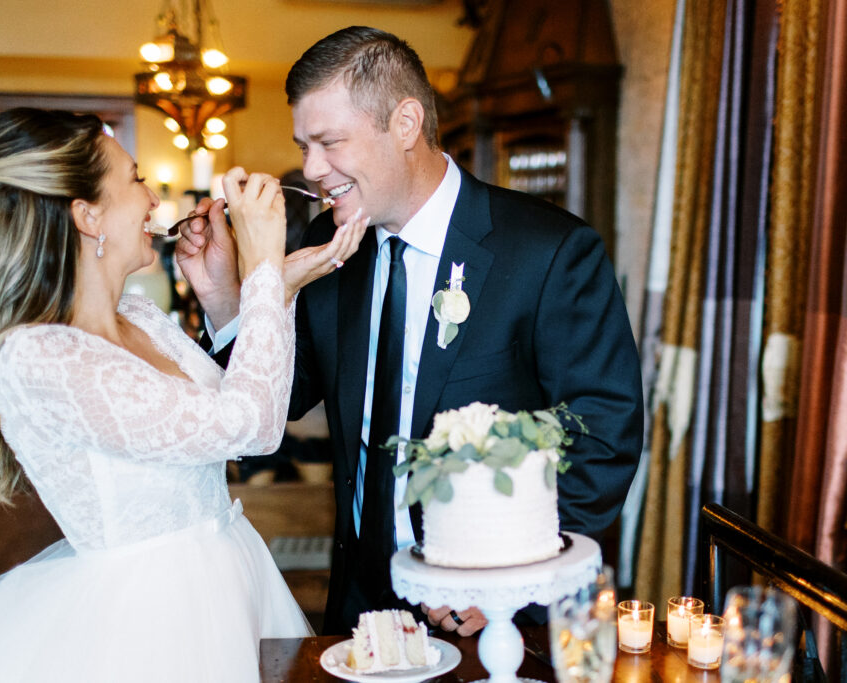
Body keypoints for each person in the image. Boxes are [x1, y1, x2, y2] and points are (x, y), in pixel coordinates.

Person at [177, 26, 644, 637]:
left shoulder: (548, 251)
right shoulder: (326, 244)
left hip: (490, 610)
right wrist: (222, 299)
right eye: (304, 146)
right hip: (358, 604)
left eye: (329, 143)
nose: (312, 169)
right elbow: (278, 402)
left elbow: (603, 430)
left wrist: (507, 574)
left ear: (404, 124)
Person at [0, 108, 367, 682]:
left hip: (229, 573)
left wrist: (228, 290)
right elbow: (252, 429)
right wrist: (265, 267)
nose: (154, 201)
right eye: (137, 180)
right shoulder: (39, 356)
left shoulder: (140, 317)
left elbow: (234, 404)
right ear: (88, 215)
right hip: (153, 617)